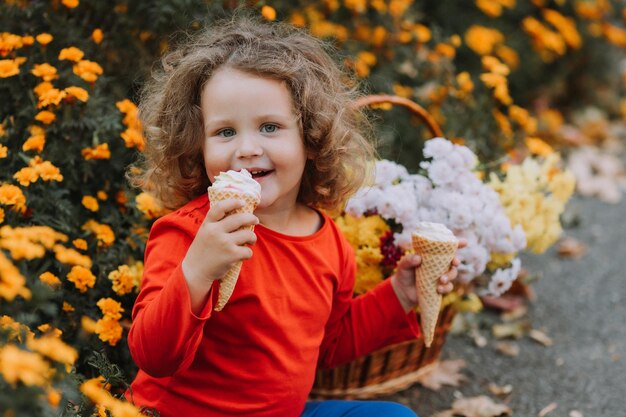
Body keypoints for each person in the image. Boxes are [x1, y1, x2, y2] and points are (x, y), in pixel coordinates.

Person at [126, 14, 461, 417]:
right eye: (225, 132)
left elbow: (331, 343)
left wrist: (401, 295)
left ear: (311, 138)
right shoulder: (188, 233)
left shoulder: (330, 242)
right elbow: (152, 356)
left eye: (269, 127)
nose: (247, 148)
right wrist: (197, 271)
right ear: (196, 145)